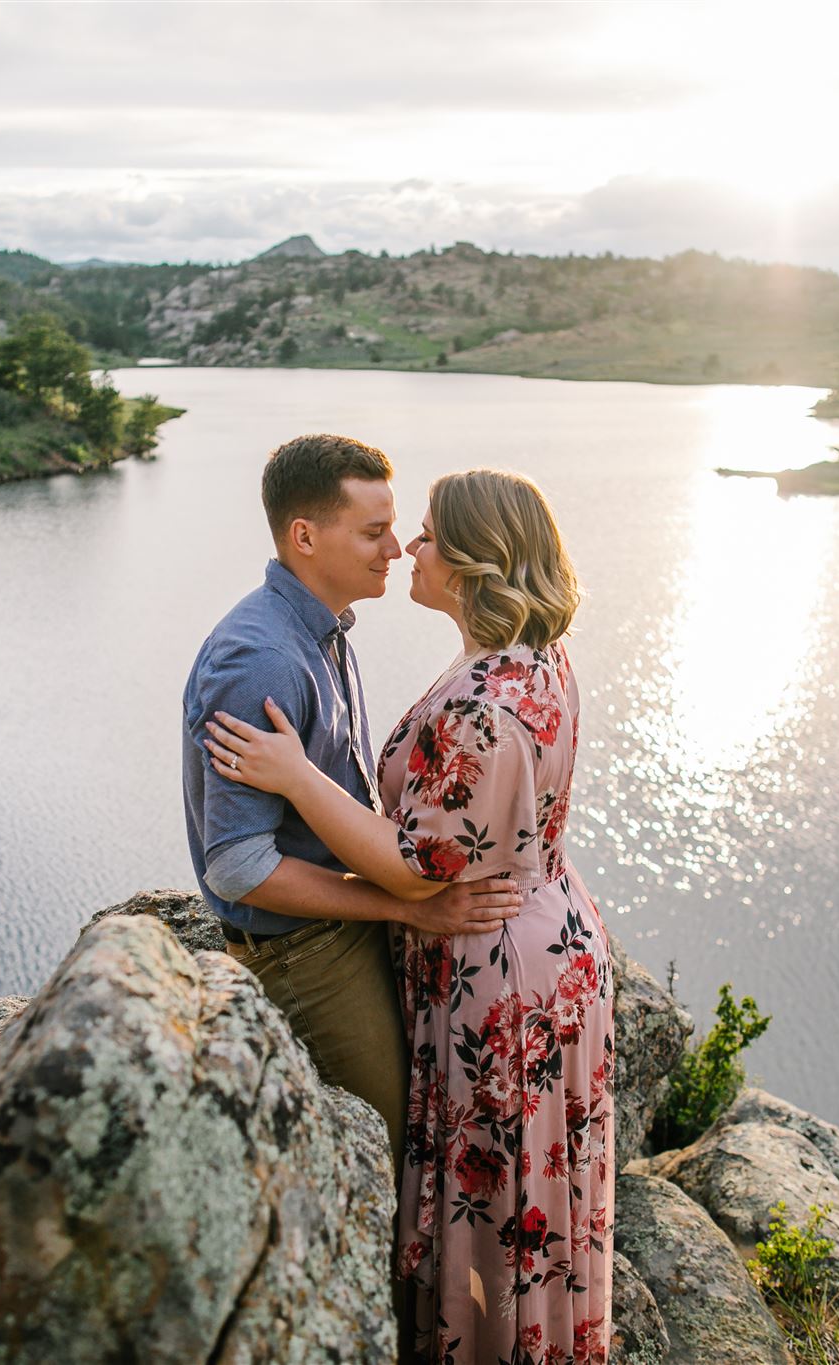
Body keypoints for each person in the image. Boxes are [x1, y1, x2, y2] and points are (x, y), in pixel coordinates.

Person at [205, 468, 615, 1365]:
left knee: (497, 1193)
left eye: (425, 535)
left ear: (472, 563)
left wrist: (292, 775)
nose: (408, 549)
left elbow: (418, 869)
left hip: (496, 966)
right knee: (530, 1180)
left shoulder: (484, 703)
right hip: (544, 925)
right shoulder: (532, 657)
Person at [181, 432, 525, 1179]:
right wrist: (407, 906)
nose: (397, 548)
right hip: (308, 951)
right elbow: (238, 867)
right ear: (305, 536)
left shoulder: (321, 629)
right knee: (388, 1151)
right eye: (373, 531)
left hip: (346, 921)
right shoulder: (262, 658)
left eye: (396, 528)